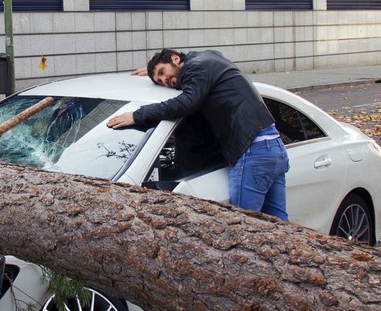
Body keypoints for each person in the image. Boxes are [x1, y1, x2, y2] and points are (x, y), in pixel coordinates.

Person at [107, 49, 290, 220]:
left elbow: (187, 102)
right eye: (160, 80)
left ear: (175, 59)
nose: (165, 80)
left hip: (253, 153)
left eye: (163, 72)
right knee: (280, 227)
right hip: (273, 147)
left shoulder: (195, 68)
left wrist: (137, 115)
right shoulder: (207, 59)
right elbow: (193, 85)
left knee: (246, 227)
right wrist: (154, 73)